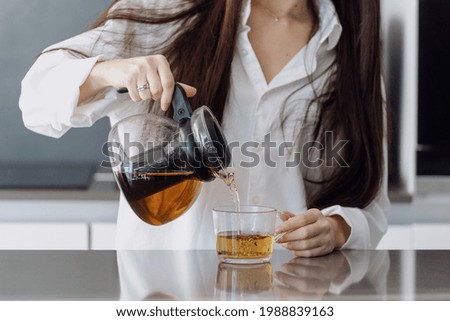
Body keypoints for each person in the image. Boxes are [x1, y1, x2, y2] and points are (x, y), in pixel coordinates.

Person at [19, 0, 390, 257]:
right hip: (167, 298)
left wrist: (338, 227)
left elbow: (371, 204)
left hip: (287, 297)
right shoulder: (170, 12)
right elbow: (35, 100)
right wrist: (108, 71)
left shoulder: (349, 49)